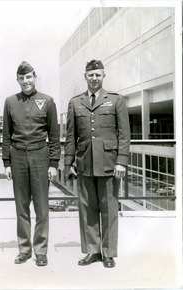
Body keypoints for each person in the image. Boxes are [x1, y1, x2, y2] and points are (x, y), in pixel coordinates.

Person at [63, 59, 130, 268]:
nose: (94, 78)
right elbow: (71, 136)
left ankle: (108, 252)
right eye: (90, 75)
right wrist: (69, 162)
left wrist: (122, 162)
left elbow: (124, 134)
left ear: (103, 76)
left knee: (109, 208)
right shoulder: (75, 102)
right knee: (87, 209)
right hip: (84, 164)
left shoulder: (116, 101)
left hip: (110, 164)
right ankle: (92, 251)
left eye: (98, 75)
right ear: (85, 76)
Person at [2, 61, 61, 267]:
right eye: (22, 78)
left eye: (29, 77)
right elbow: (6, 135)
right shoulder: (10, 102)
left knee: (42, 207)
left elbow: (54, 135)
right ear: (17, 80)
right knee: (21, 206)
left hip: (40, 155)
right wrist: (7, 163)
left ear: (35, 77)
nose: (26, 81)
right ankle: (24, 249)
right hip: (17, 155)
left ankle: (41, 250)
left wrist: (54, 163)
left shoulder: (47, 101)